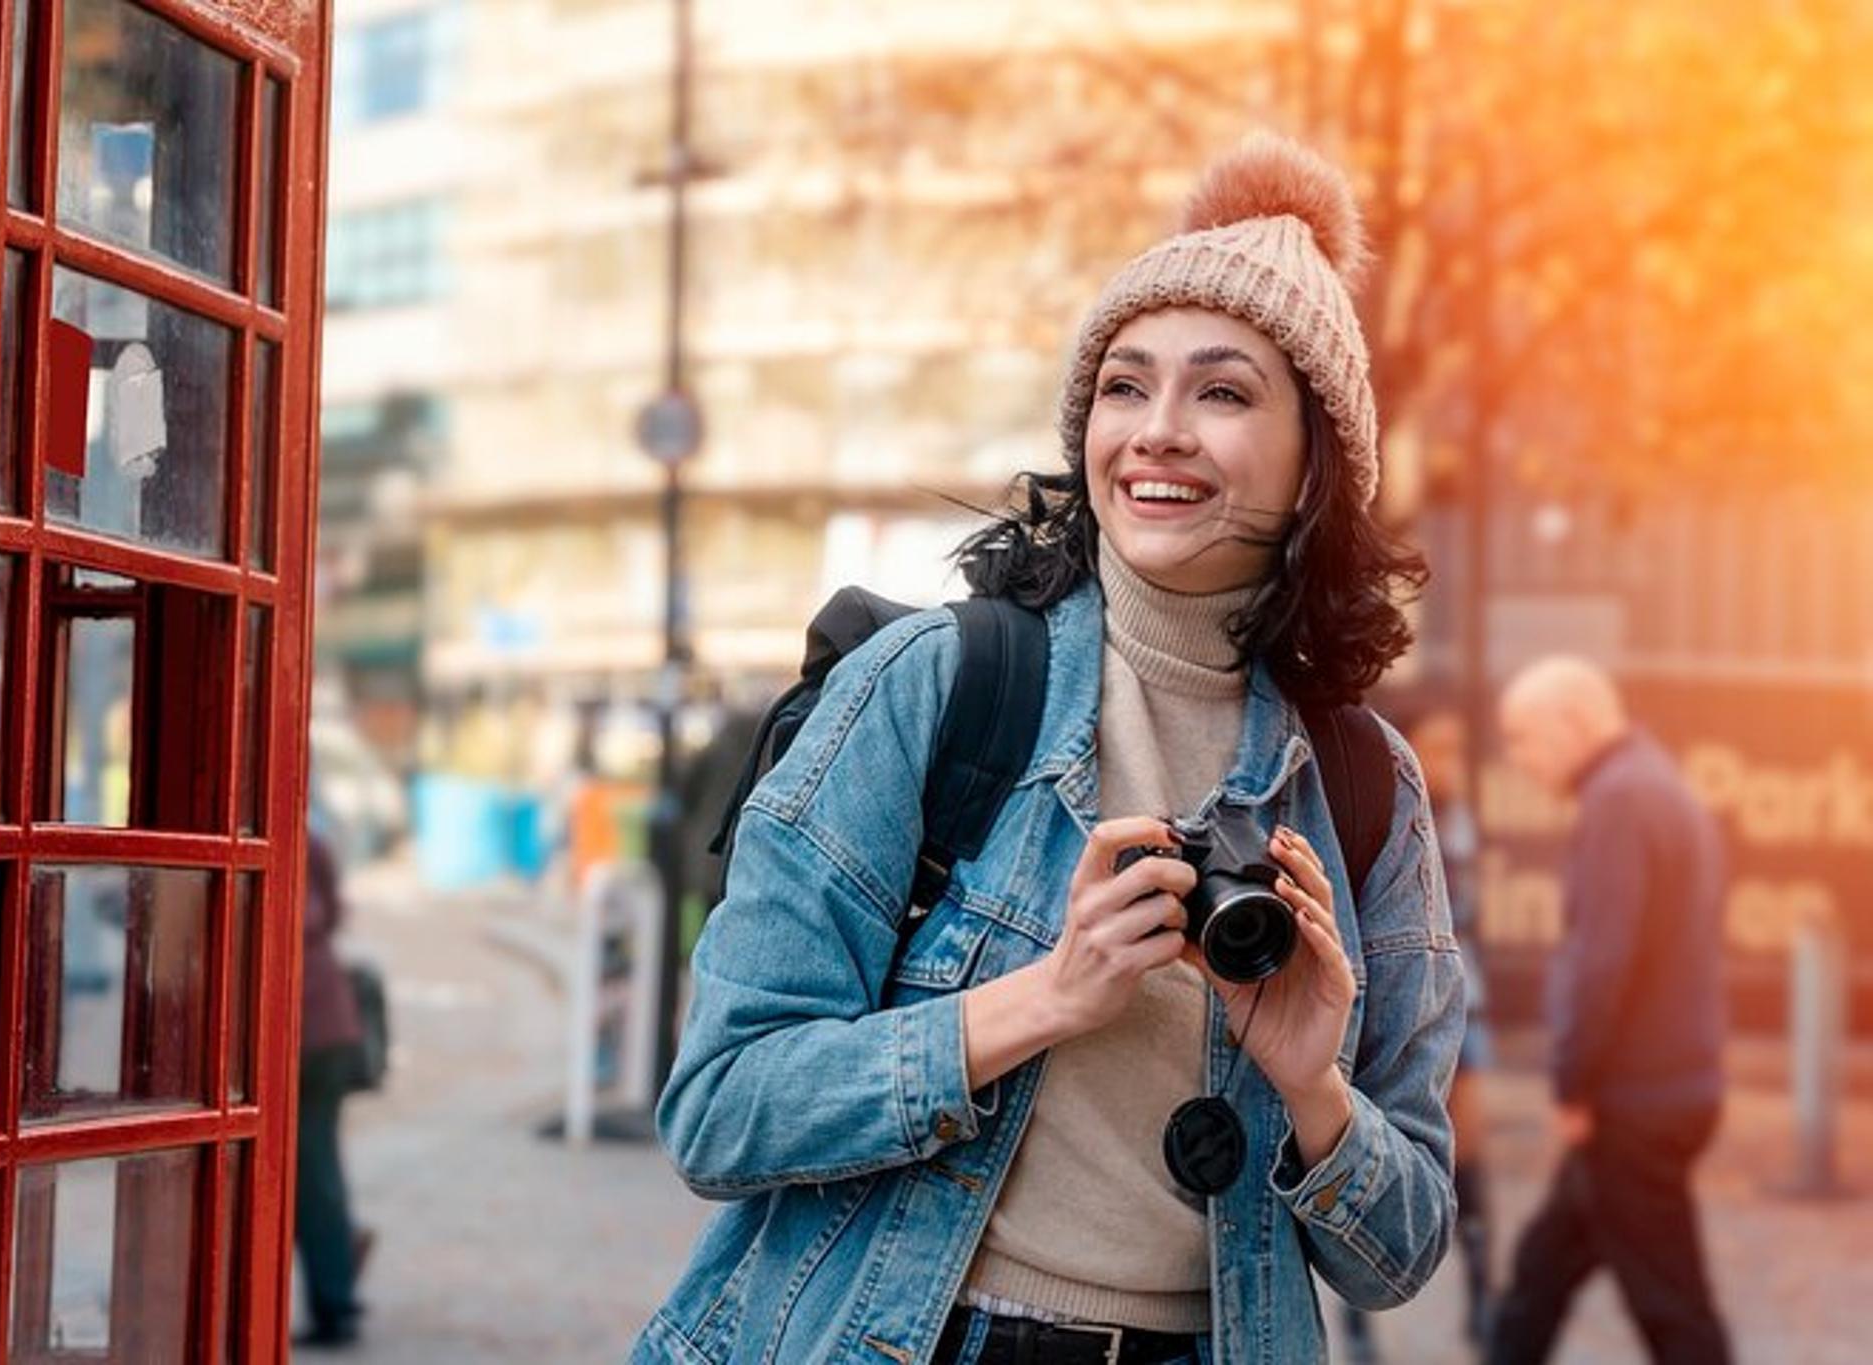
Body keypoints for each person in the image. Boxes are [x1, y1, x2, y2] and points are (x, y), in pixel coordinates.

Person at [635, 134, 1465, 1365]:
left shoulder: (1360, 785)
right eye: (1125, 387)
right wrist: (1041, 1001)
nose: (1158, 432)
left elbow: (1396, 1256)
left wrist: (1312, 1088)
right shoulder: (939, 687)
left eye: (1223, 393)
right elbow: (719, 1109)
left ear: (1312, 469)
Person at [1486, 658, 1732, 1365]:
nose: (1517, 756)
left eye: (1523, 735)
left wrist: (1573, 1085)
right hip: (1663, 1090)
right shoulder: (1656, 781)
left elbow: (1600, 962)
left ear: (1576, 720)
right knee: (1542, 1273)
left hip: (1633, 1104)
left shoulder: (1618, 801)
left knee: (1672, 1307)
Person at [1341, 705, 1497, 1362]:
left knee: (1471, 1157)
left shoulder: (1463, 819)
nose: (1452, 756)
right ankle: (1357, 1322)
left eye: (1460, 744)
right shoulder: (1385, 801)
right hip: (1387, 1008)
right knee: (1362, 1150)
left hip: (1466, 1007)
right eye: (1442, 744)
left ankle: (1485, 1301)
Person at [295, 829, 369, 1349]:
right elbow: (337, 912)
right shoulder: (313, 842)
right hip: (329, 1024)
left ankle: (335, 1302)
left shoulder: (302, 844)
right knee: (320, 1170)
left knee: (314, 1173)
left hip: (306, 1034)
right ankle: (338, 1273)